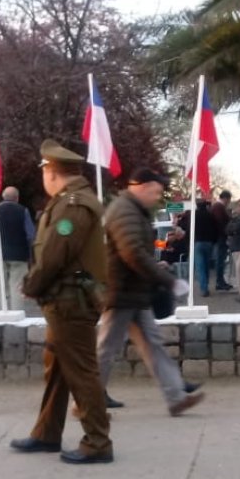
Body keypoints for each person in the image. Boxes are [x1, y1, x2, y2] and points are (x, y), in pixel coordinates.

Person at [10, 140, 113, 464]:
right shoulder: (68, 201)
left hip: (71, 302)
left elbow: (56, 253)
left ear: (52, 172)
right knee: (57, 369)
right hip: (65, 300)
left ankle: (97, 442)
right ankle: (46, 433)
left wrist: (32, 284)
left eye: (44, 171)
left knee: (82, 372)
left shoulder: (73, 205)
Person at [97, 167, 205, 416]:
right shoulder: (125, 211)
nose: (157, 197)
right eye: (155, 192)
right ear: (142, 187)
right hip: (122, 292)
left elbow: (135, 252)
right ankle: (85, 401)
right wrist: (167, 280)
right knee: (106, 349)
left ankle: (176, 397)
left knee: (152, 344)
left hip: (133, 292)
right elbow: (132, 252)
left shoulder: (132, 210)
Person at [0, 186, 36, 310]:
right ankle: (16, 315)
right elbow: (31, 235)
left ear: (3, 197)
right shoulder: (23, 211)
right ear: (17, 198)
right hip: (19, 255)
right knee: (17, 287)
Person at [183, 201, 219, 297]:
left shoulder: (193, 216)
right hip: (209, 243)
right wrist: (214, 241)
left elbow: (188, 230)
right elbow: (216, 228)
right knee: (206, 265)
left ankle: (204, 288)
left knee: (200, 266)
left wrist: (188, 243)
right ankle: (206, 284)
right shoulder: (210, 215)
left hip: (197, 242)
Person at [211, 190, 234, 291]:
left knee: (221, 260)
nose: (228, 202)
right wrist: (226, 233)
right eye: (228, 200)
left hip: (219, 237)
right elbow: (220, 222)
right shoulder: (219, 207)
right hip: (221, 237)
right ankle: (220, 282)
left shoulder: (217, 207)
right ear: (225, 198)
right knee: (220, 260)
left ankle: (220, 281)